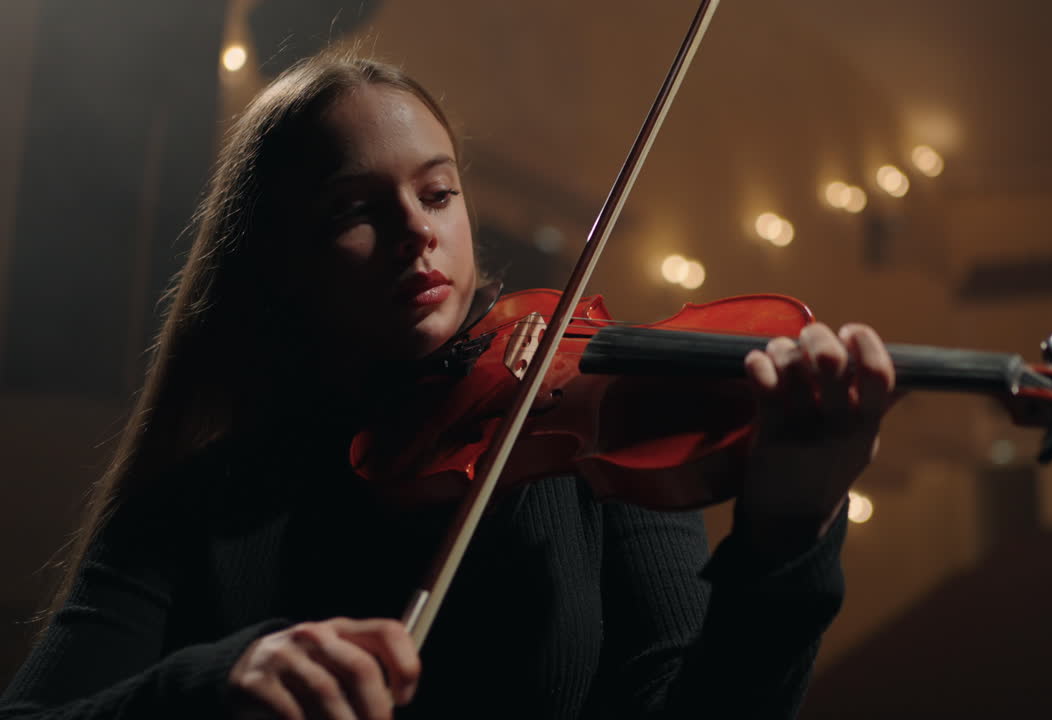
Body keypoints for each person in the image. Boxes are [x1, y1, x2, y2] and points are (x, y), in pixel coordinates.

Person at [0, 50, 895, 720]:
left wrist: (785, 541)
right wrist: (215, 684)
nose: (415, 233)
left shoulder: (589, 421)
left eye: (437, 194)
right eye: (355, 210)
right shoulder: (193, 509)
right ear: (277, 263)